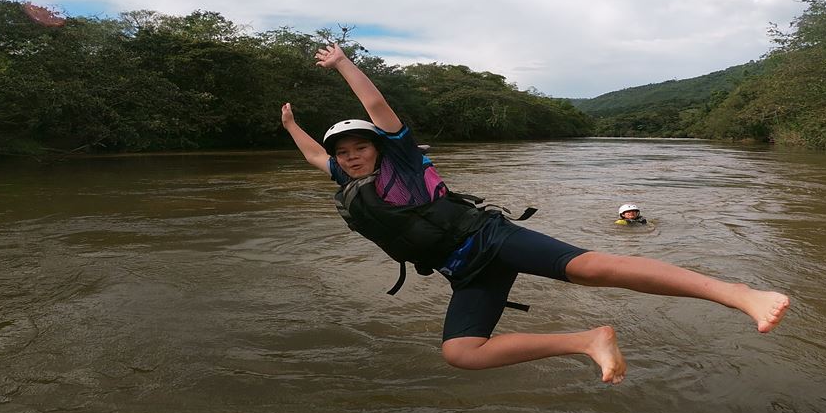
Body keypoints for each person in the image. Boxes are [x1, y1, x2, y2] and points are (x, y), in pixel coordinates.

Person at [280, 43, 790, 385]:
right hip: (464, 269)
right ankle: (588, 340)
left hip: (490, 238)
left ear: (376, 147)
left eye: (357, 146)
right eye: (341, 150)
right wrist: (289, 125)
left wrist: (345, 62)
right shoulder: (350, 180)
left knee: (590, 268)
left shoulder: (404, 161)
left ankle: (738, 293)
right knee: (461, 352)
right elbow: (310, 154)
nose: (349, 154)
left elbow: (377, 106)